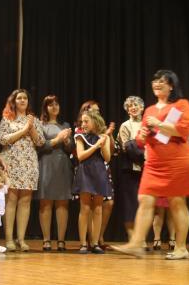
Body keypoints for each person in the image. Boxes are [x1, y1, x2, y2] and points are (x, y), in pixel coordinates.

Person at [113, 70, 189, 260]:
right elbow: (141, 141)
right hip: (154, 163)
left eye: (162, 81)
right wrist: (141, 136)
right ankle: (136, 243)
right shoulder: (150, 110)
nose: (157, 83)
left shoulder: (180, 105)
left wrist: (158, 125)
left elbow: (183, 131)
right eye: (155, 81)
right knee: (145, 199)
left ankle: (181, 247)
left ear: (171, 86)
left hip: (177, 161)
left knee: (177, 202)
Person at [0, 89, 45, 251]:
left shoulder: (34, 120)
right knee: (11, 200)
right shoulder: (7, 118)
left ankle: (21, 239)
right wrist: (24, 130)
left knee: (25, 201)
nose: (23, 101)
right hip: (11, 162)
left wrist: (31, 128)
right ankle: (9, 239)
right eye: (19, 98)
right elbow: (2, 139)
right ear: (14, 101)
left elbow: (40, 142)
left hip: (29, 163)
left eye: (25, 98)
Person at [37, 95, 74, 251]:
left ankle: (61, 240)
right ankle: (46, 240)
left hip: (62, 164)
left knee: (62, 202)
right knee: (45, 202)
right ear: (45, 107)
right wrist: (59, 139)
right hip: (46, 163)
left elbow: (71, 149)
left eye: (56, 104)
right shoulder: (40, 124)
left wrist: (66, 141)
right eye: (50, 104)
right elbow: (40, 146)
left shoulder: (65, 124)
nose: (54, 107)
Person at [73, 110, 112, 254]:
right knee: (84, 208)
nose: (83, 124)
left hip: (99, 172)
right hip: (85, 172)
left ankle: (95, 243)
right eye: (82, 121)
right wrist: (95, 146)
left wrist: (102, 145)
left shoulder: (104, 137)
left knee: (98, 208)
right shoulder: (80, 137)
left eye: (86, 121)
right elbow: (81, 156)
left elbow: (107, 158)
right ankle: (83, 243)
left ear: (95, 122)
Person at [116, 96, 144, 244]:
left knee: (142, 204)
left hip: (145, 170)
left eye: (136, 105)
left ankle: (142, 238)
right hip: (129, 170)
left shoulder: (147, 125)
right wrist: (145, 154)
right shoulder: (125, 125)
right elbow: (127, 148)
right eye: (130, 106)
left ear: (142, 107)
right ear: (127, 110)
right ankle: (132, 237)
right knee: (130, 203)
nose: (133, 107)